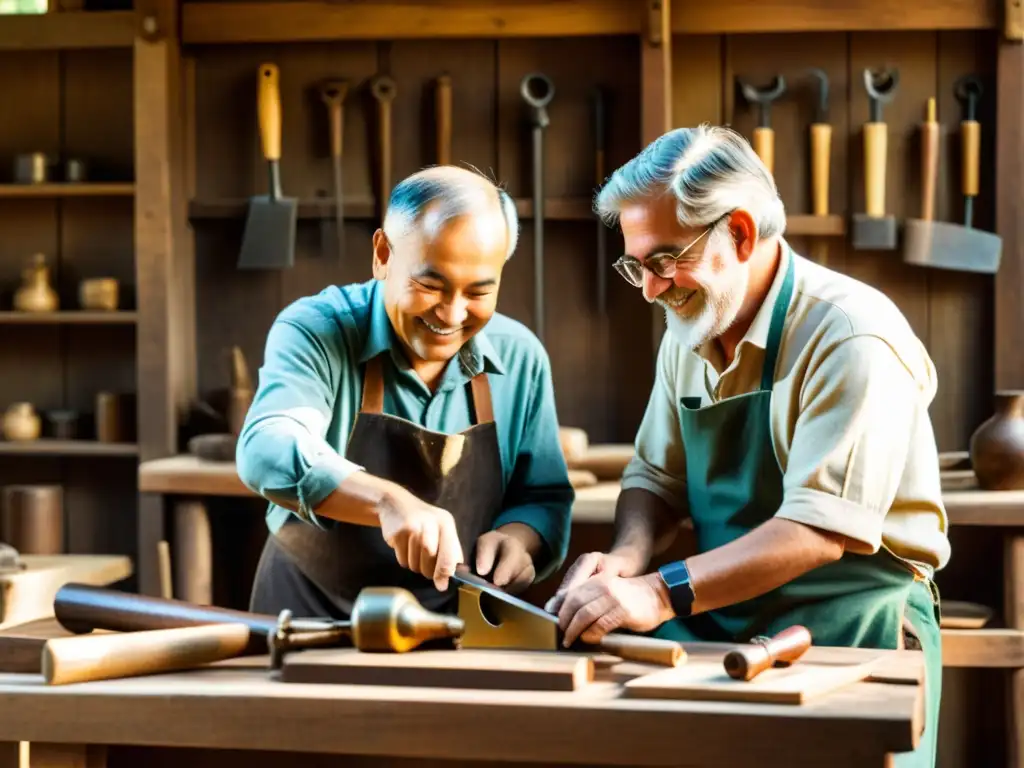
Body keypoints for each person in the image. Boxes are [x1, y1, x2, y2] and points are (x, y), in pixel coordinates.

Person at [545, 126, 946, 767]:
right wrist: (626, 559)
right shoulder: (689, 327)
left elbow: (818, 532)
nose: (651, 288)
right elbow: (654, 476)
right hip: (723, 619)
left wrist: (656, 591)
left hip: (853, 624)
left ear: (738, 232)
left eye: (664, 260)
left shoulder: (851, 335)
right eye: (636, 265)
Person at [236, 165, 574, 621]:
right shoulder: (317, 330)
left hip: (455, 626)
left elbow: (543, 496)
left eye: (478, 292)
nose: (452, 313)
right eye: (430, 285)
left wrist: (519, 536)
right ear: (382, 254)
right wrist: (386, 501)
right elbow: (266, 445)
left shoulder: (519, 359)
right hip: (308, 615)